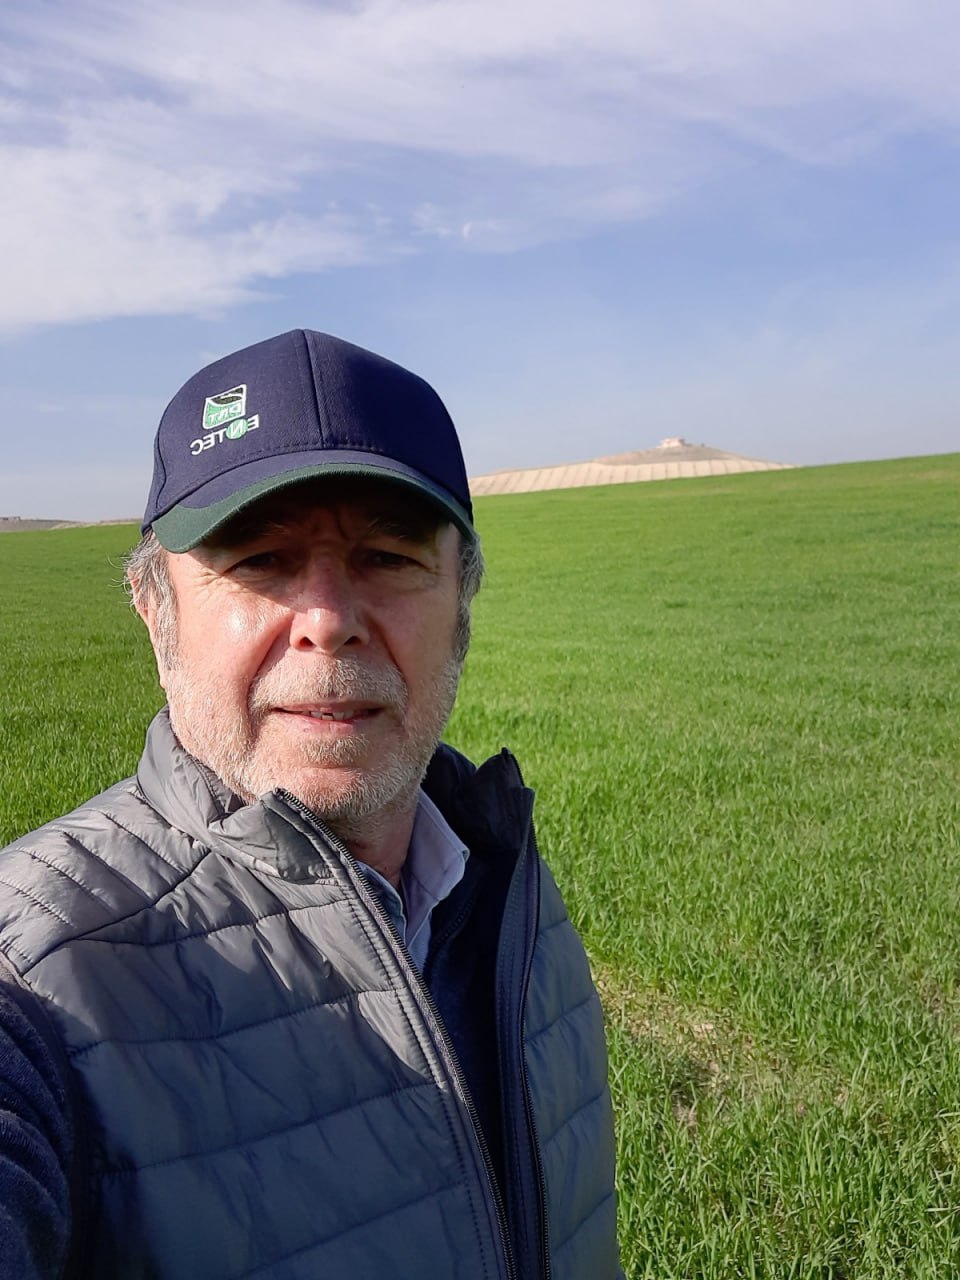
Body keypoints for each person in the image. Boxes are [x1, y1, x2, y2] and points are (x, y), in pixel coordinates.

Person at [0, 330, 622, 1279]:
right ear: (155, 614)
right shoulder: (38, 976)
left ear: (462, 603)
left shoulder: (506, 890)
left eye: (389, 554)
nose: (327, 621)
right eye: (259, 559)